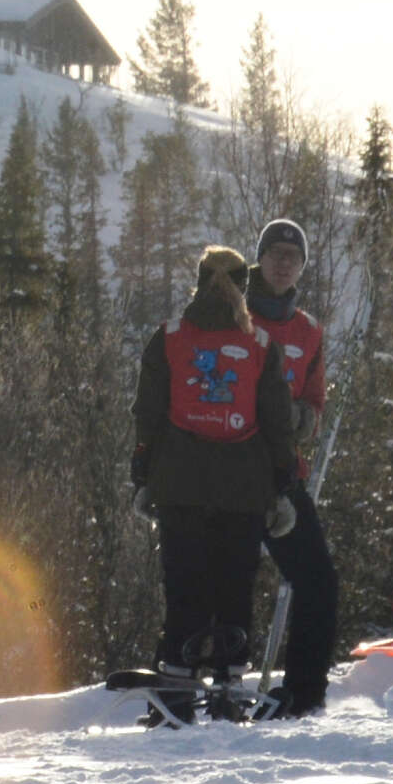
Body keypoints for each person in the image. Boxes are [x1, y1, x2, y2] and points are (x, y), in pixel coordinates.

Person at [129, 246, 299, 717]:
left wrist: (143, 476)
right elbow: (277, 423)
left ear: (198, 281)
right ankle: (229, 690)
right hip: (244, 487)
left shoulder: (168, 337)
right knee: (234, 587)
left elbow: (147, 414)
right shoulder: (260, 344)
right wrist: (283, 485)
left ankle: (175, 693)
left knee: (184, 586)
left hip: (179, 482)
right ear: (245, 286)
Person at [247, 216, 344, 717]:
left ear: (302, 267)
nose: (284, 264)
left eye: (293, 257)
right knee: (223, 580)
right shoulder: (234, 315)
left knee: (318, 582)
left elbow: (315, 401)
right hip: (230, 470)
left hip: (284, 475)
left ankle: (305, 693)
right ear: (260, 259)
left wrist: (301, 417)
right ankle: (210, 683)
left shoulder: (308, 331)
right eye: (276, 254)